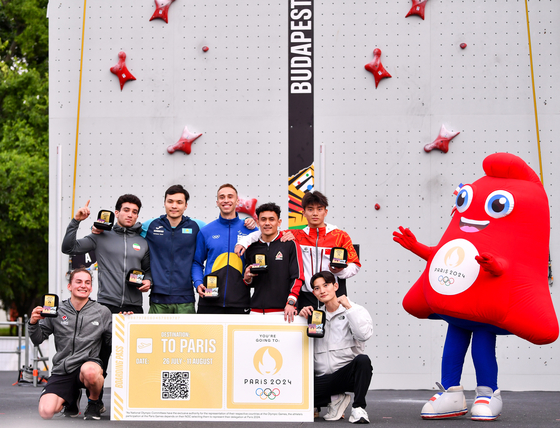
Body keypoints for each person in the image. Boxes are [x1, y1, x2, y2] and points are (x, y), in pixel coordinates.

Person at [236, 190, 361, 309]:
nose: (315, 213)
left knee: (337, 330)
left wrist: (340, 271)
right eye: (310, 209)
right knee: (307, 331)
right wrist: (243, 242)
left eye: (319, 209)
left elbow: (355, 265)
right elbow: (268, 232)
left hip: (334, 295)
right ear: (304, 213)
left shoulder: (340, 236)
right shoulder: (295, 235)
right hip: (305, 297)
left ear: (326, 212)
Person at [28, 268, 112, 420]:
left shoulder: (102, 312)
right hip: (63, 369)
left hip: (88, 365)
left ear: (91, 287)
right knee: (46, 412)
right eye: (78, 282)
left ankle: (94, 403)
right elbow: (37, 339)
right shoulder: (57, 311)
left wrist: (125, 323)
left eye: (87, 282)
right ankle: (72, 397)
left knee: (91, 371)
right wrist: (33, 323)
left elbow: (113, 341)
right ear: (69, 286)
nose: (83, 286)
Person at [299, 271, 373, 424]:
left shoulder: (356, 310)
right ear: (314, 293)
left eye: (326, 285)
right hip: (323, 378)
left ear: (336, 286)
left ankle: (358, 408)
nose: (322, 291)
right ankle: (335, 398)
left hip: (346, 375)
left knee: (363, 361)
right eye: (317, 288)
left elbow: (363, 335)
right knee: (295, 396)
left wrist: (349, 308)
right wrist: (300, 321)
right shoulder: (314, 316)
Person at [62, 194, 152, 313]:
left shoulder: (142, 241)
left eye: (134, 212)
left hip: (134, 306)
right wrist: (76, 220)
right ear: (116, 213)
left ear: (137, 215)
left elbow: (147, 269)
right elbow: (69, 248)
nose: (130, 214)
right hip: (106, 305)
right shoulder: (100, 236)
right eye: (126, 210)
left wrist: (148, 281)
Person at [192, 184, 256, 314]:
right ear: (217, 202)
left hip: (240, 300)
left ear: (237, 201)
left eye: (230, 197)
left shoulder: (251, 231)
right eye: (222, 197)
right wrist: (198, 283)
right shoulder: (206, 231)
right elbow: (197, 262)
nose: (226, 200)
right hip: (209, 298)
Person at [141, 184, 205, 314]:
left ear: (186, 205)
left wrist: (248, 222)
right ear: (164, 203)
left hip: (185, 299)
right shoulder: (150, 226)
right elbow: (124, 233)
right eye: (170, 201)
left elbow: (220, 231)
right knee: (156, 335)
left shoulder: (197, 226)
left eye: (179, 202)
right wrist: (97, 229)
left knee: (187, 335)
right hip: (158, 298)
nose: (174, 206)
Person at [242, 203, 304, 322]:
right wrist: (247, 279)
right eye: (263, 219)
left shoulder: (290, 244)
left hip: (283, 311)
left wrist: (291, 302)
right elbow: (250, 282)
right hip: (256, 311)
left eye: (272, 219)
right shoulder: (251, 247)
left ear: (279, 222)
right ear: (257, 221)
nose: (267, 223)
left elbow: (298, 277)